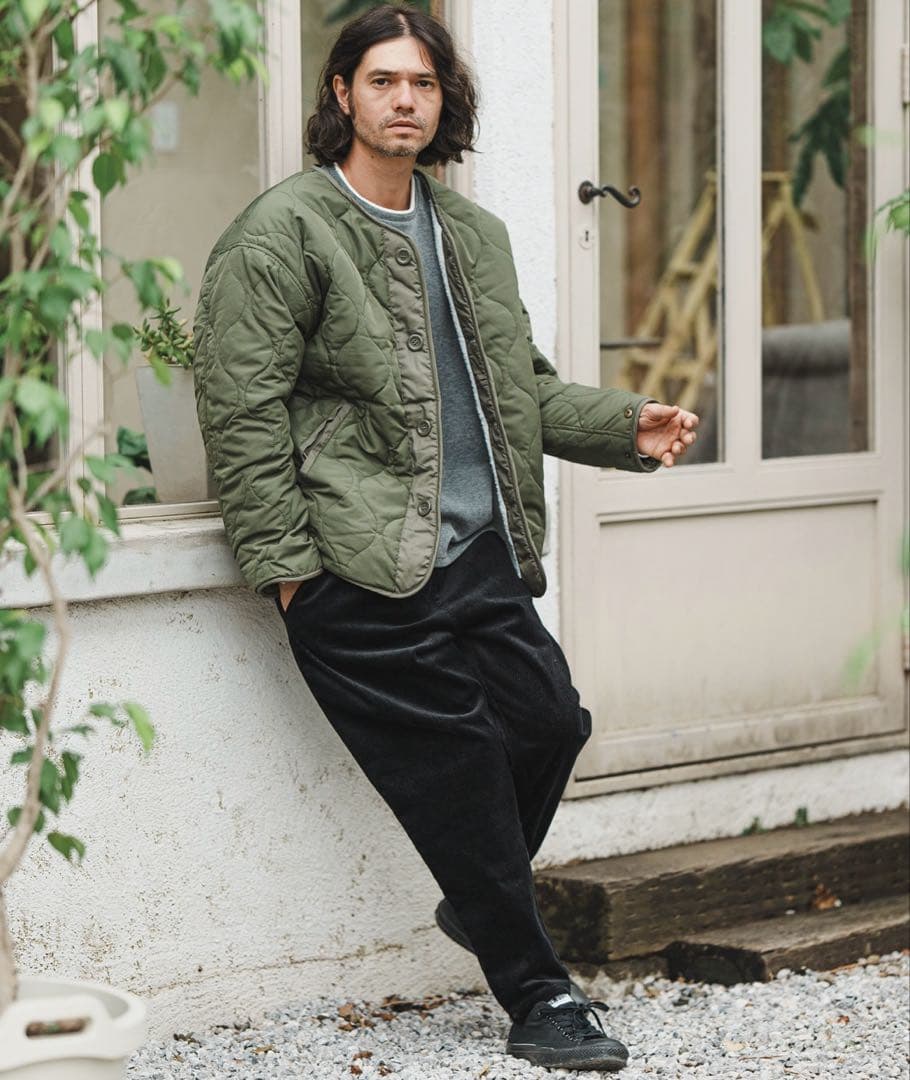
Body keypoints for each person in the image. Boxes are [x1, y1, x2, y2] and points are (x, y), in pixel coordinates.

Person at [191, 3, 698, 1071]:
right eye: (382, 81)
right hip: (358, 563)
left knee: (550, 723)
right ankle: (539, 997)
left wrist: (623, 427)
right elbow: (241, 410)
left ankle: (482, 896)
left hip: (474, 549)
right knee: (464, 767)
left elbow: (520, 389)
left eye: (422, 83)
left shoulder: (471, 233)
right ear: (342, 94)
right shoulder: (283, 233)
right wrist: (290, 573)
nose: (404, 101)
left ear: (443, 101)